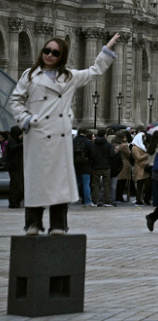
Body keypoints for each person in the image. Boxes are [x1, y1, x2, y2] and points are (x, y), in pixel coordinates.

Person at [9, 33, 120, 235]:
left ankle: (58, 225)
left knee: (59, 183)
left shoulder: (68, 76)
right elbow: (15, 101)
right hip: (38, 134)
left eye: (55, 52)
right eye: (47, 51)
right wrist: (27, 120)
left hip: (59, 135)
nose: (50, 55)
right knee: (36, 180)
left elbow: (95, 71)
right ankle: (33, 223)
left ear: (62, 56)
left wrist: (108, 48)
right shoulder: (30, 75)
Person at [6, 127, 23, 208]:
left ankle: (15, 201)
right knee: (15, 184)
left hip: (15, 166)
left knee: (16, 184)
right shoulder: (13, 141)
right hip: (14, 166)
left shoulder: (15, 141)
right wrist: (22, 144)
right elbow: (12, 148)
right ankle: (14, 201)